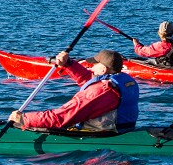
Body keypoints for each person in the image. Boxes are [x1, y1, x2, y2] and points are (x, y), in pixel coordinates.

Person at [9, 49, 140, 134]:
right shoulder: (124, 81)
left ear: (103, 70)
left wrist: (24, 119)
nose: (91, 67)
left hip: (101, 133)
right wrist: (69, 64)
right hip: (123, 129)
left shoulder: (101, 91)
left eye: (95, 65)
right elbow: (89, 80)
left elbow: (62, 117)